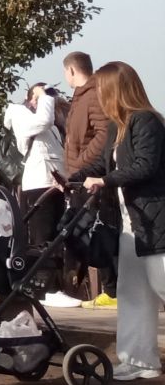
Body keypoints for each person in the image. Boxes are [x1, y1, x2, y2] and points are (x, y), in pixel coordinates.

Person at [71, 61, 165, 382]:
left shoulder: (146, 121)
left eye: (101, 88)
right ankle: (139, 361)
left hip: (155, 221)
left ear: (115, 89)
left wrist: (105, 181)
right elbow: (100, 164)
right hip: (130, 224)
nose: (97, 94)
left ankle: (141, 361)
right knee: (132, 293)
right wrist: (70, 178)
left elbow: (145, 165)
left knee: (161, 285)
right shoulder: (116, 126)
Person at [5, 81, 80, 305]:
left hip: (54, 184)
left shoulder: (52, 125)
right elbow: (43, 121)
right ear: (31, 99)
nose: (48, 101)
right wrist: (43, 94)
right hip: (38, 184)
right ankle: (46, 290)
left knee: (57, 239)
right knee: (43, 239)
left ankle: (55, 288)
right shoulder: (18, 113)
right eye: (41, 97)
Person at [64, 51, 117, 308]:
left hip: (92, 176)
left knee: (97, 230)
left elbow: (104, 133)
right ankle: (110, 289)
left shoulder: (93, 94)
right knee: (80, 231)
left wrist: (82, 162)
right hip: (80, 176)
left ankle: (113, 290)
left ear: (72, 70)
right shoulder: (79, 97)